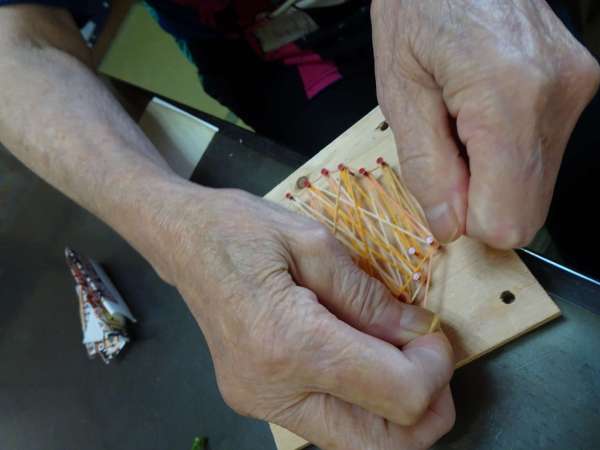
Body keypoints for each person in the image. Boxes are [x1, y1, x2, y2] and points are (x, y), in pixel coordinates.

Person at [0, 1, 597, 449]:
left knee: (568, 155)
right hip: (274, 59)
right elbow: (15, 39)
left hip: (477, 23)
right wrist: (170, 224)